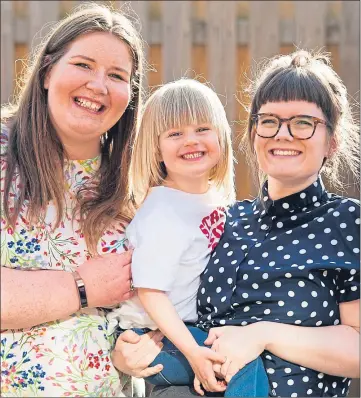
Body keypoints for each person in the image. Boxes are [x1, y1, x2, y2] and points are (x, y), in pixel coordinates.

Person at [111, 50, 360, 397]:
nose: (283, 134)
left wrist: (263, 334)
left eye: (303, 122)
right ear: (253, 134)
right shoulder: (225, 220)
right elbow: (158, 296)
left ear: (331, 141)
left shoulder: (348, 222)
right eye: (269, 120)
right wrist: (128, 355)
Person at [0, 3, 158, 397]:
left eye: (117, 76)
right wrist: (81, 287)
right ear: (48, 71)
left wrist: (135, 347)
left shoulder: (140, 183)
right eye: (84, 65)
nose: (98, 85)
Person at [107, 78, 269, 397]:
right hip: (151, 338)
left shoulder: (215, 200)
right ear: (156, 147)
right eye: (175, 133)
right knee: (243, 362)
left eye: (201, 129)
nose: (191, 141)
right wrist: (194, 355)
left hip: (188, 331)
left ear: (220, 135)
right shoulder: (162, 211)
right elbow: (150, 291)